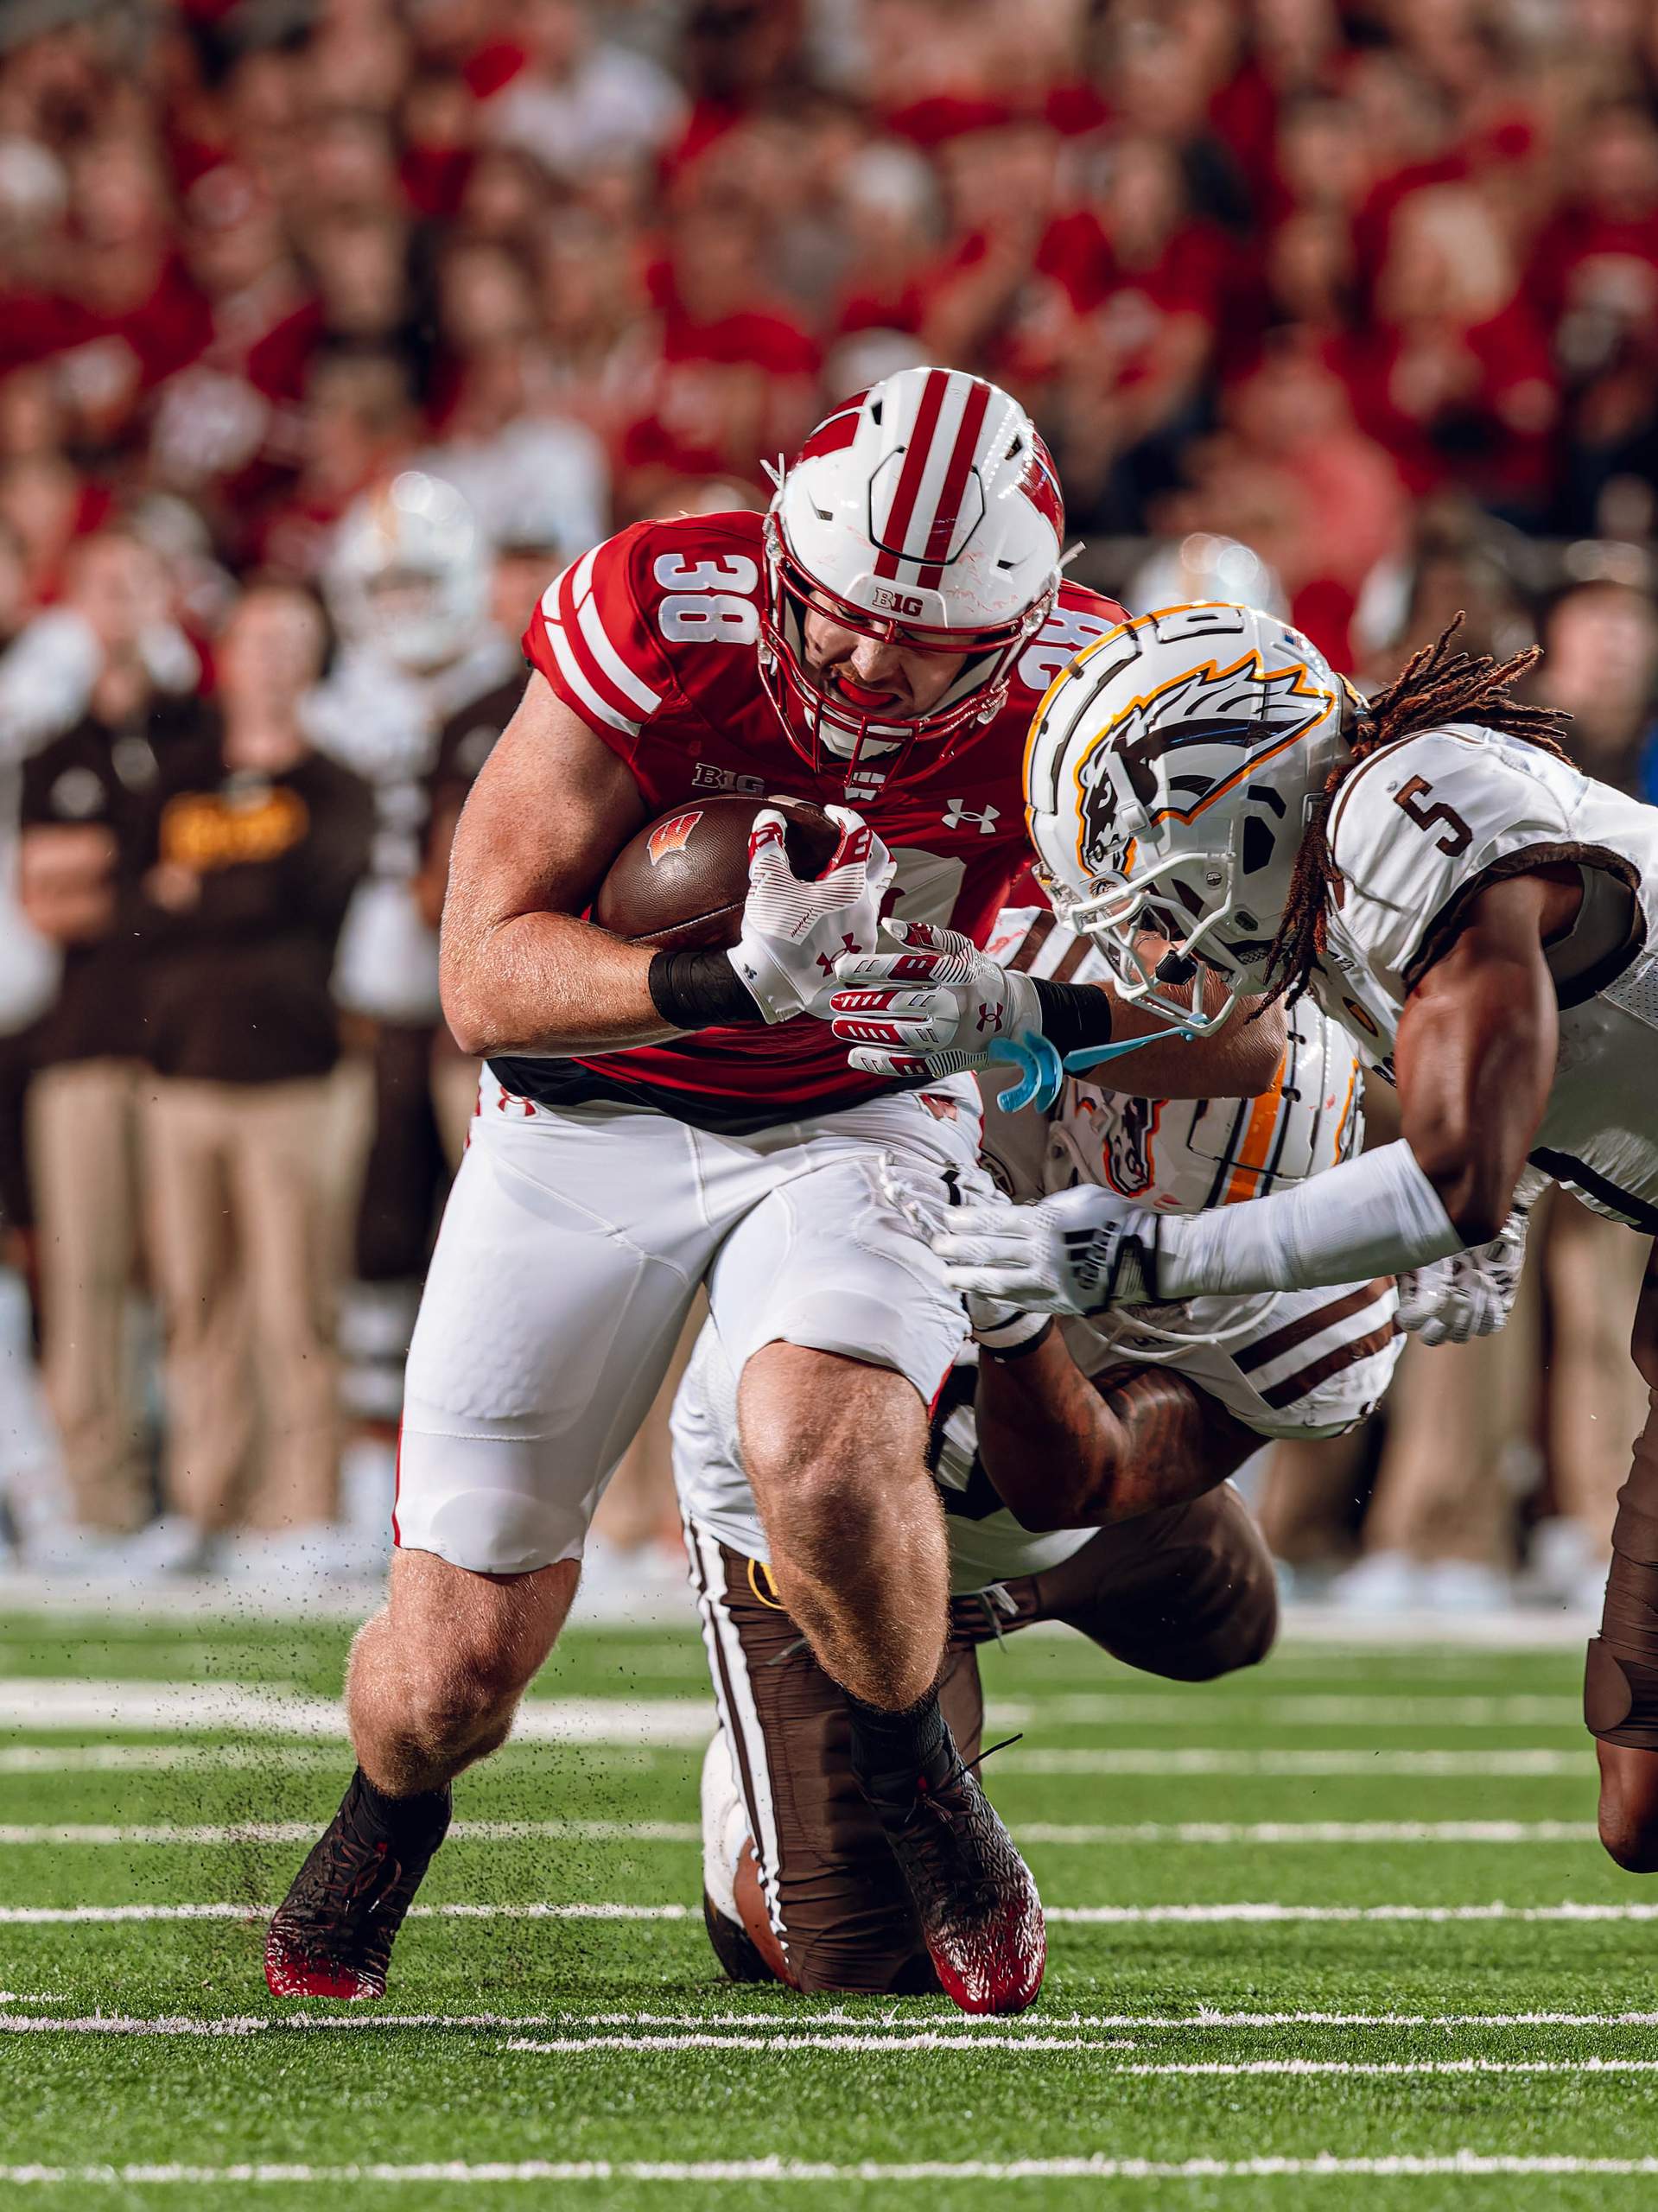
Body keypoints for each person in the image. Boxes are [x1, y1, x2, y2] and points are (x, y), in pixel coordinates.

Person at [264, 367, 1286, 2018]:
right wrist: (714, 978)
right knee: (449, 1672)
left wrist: (1012, 1014)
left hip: (856, 1119)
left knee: (818, 1443)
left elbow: (1239, 1034)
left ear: (1018, 617)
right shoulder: (661, 613)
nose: (871, 661)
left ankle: (926, 1795)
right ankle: (388, 1814)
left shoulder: (1089, 688)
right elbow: (481, 974)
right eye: (839, 614)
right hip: (579, 1122)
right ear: (781, 559)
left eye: (925, 634)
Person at [911, 601, 1658, 1876]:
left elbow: (1443, 1183)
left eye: (1144, 878)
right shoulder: (1356, 839)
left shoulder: (1399, 828)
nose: (1145, 932)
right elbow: (1571, 1028)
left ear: (1235, 809)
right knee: (1641, 1800)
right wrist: (1522, 1180)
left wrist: (1139, 1261)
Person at [683, 905, 1403, 1997]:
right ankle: (769, 1771)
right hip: (823, 1490)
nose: (1203, 1261)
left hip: (1048, 1472)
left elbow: (1085, 1479)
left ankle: (976, 1604)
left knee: (1227, 1613)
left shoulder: (1323, 1302)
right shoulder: (993, 1007)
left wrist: (1017, 1325)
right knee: (862, 1957)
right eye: (1177, 1228)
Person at [136, 579, 373, 1575]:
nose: (271, 659)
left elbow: (304, 895)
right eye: (256, 639)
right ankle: (204, 1505)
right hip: (182, 1074)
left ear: (311, 660)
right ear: (226, 655)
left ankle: (300, 1510)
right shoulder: (179, 775)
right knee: (193, 1300)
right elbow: (132, 907)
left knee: (294, 1302)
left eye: (292, 641)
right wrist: (220, 896)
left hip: (294, 1076)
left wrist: (201, 892)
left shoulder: (335, 783)